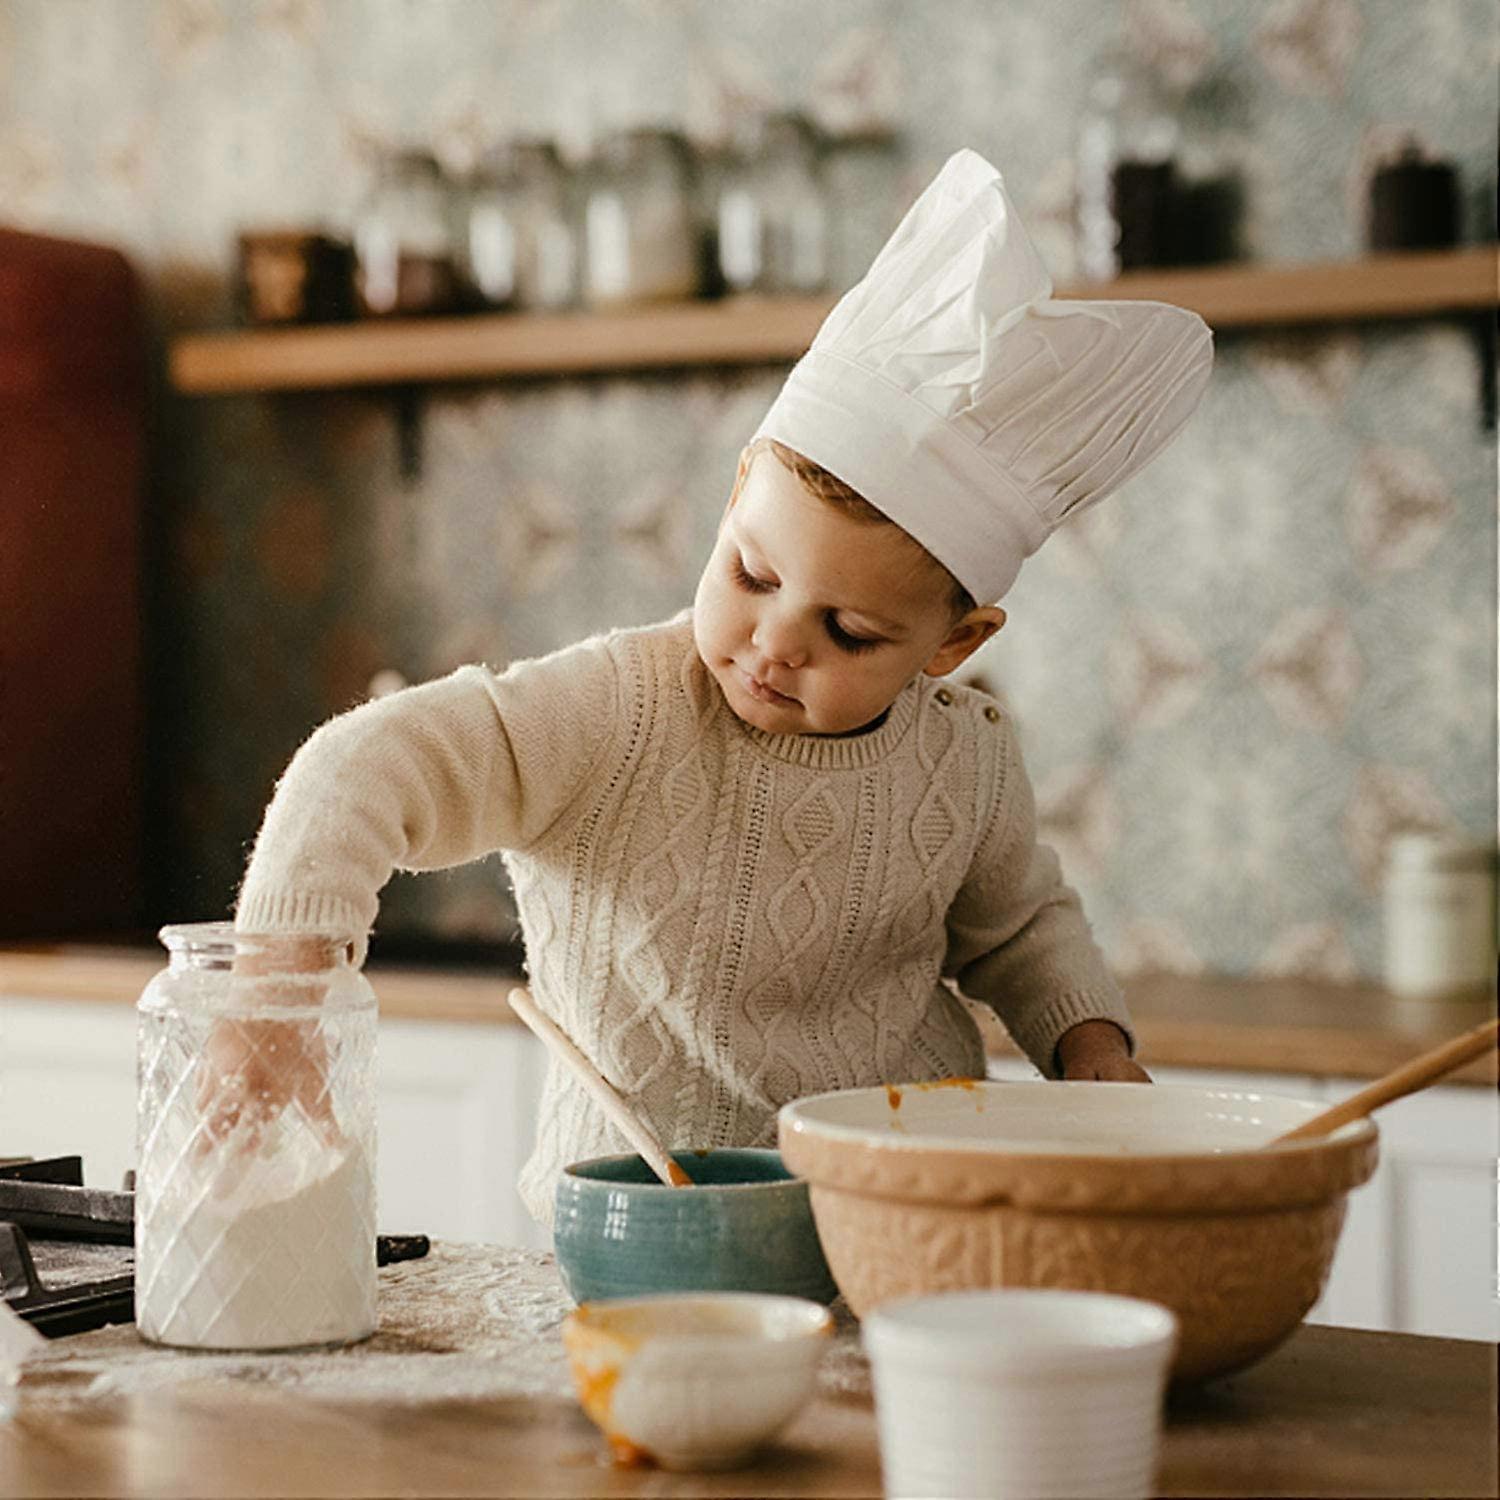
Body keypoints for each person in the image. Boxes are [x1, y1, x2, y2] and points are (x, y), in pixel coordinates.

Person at [229, 149, 1213, 1225]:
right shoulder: (617, 710)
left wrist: (1090, 1046)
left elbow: (1020, 931)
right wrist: (283, 990)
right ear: (740, 487)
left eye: (848, 631)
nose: (774, 645)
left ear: (955, 642)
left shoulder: (967, 760)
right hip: (640, 1228)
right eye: (751, 573)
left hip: (900, 1216)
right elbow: (360, 765)